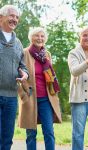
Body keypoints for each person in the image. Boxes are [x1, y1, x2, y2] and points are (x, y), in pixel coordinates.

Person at [18, 27, 62, 150]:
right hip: (30, 97)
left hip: (46, 99)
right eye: (37, 36)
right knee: (31, 133)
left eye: (42, 36)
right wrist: (23, 94)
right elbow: (18, 74)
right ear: (31, 37)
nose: (40, 38)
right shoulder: (24, 53)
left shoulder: (46, 55)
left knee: (49, 132)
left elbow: (50, 76)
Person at [0, 5, 28, 150]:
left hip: (11, 97)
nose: (14, 19)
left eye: (17, 17)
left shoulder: (18, 44)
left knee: (7, 137)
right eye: (11, 16)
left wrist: (25, 74)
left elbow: (23, 67)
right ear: (1, 18)